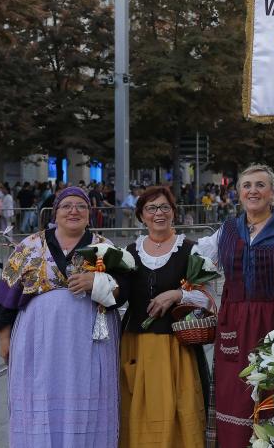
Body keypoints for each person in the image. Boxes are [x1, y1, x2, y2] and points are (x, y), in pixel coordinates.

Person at [0, 187, 128, 447]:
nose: (73, 211)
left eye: (81, 206)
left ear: (90, 214)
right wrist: (4, 338)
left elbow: (121, 292)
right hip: (38, 338)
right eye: (67, 206)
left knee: (88, 392)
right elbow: (6, 294)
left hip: (90, 340)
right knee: (41, 390)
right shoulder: (30, 246)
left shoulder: (105, 248)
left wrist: (97, 282)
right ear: (56, 213)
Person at [194, 165, 274, 447]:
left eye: (260, 185)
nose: (253, 191)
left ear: (272, 192)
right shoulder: (226, 230)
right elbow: (198, 267)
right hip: (233, 322)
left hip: (273, 320)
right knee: (234, 396)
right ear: (238, 193)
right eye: (247, 185)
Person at [120, 186, 213, 448]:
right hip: (136, 343)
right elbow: (117, 294)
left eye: (164, 207)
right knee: (139, 410)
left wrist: (176, 294)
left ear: (173, 213)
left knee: (176, 409)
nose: (158, 213)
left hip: (176, 348)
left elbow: (206, 297)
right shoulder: (129, 252)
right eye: (151, 208)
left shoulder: (190, 250)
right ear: (141, 215)